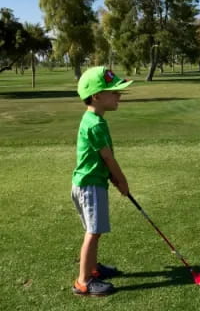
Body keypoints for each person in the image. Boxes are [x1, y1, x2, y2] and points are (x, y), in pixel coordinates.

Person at [71, 66, 133, 296]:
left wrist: (112, 179)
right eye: (114, 91)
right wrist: (122, 181)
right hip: (90, 185)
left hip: (87, 182)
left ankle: (93, 269)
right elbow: (108, 158)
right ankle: (83, 281)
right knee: (93, 232)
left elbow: (99, 158)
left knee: (93, 230)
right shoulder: (95, 124)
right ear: (97, 96)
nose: (119, 96)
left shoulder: (92, 119)